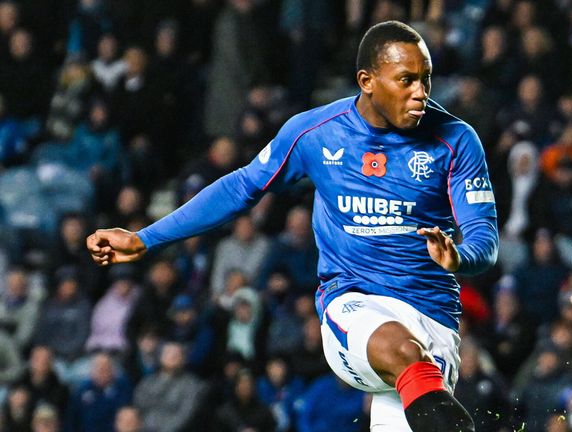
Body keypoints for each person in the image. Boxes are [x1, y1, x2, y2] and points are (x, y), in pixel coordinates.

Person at [87, 20, 498, 432]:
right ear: (366, 81)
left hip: (433, 322)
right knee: (403, 351)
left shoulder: (455, 141)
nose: (421, 93)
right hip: (352, 304)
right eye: (407, 80)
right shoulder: (316, 133)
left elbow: (484, 239)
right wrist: (146, 238)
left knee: (414, 367)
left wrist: (459, 256)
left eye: (426, 79)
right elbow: (242, 187)